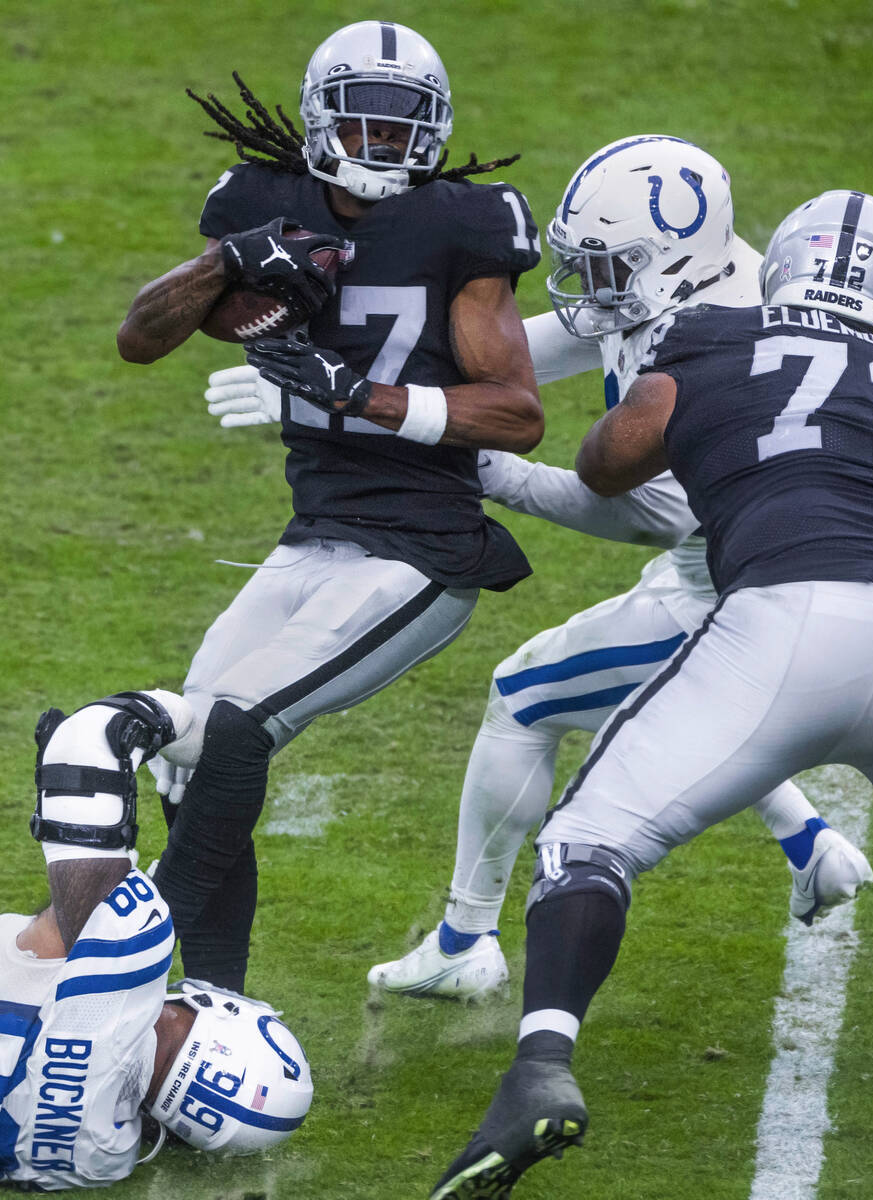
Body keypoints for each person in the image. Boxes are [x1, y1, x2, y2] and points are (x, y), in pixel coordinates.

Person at [428, 190, 873, 1197]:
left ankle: (539, 1068)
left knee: (588, 841)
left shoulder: (718, 335)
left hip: (797, 615)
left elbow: (610, 464)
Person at [351, 137, 873, 999]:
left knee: (525, 696)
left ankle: (463, 939)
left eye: (610, 264)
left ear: (671, 258)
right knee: (653, 684)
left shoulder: (692, 339)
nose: (589, 281)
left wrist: (496, 472)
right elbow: (568, 338)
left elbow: (655, 513)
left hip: (742, 585)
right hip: (770, 558)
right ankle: (809, 841)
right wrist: (391, 387)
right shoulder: (721, 281)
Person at [116, 20, 544, 993]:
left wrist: (356, 396)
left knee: (234, 727)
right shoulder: (259, 200)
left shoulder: (462, 224)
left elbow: (517, 415)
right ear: (321, 119)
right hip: (314, 533)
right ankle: (215, 998)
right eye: (368, 123)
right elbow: (140, 338)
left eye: (405, 128)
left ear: (434, 130)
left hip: (422, 547)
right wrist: (232, 263)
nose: (387, 144)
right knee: (190, 761)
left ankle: (117, 972)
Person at [0, 689, 312, 1190]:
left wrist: (183, 730)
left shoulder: (134, 946)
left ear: (228, 1016)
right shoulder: (99, 1160)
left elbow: (90, 739)